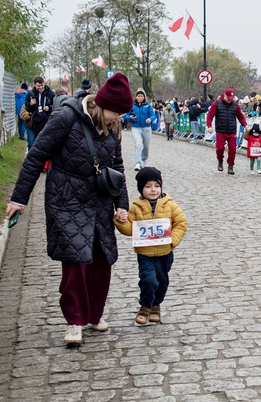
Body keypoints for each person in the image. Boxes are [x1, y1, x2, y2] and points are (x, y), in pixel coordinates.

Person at [4, 73, 134, 345]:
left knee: (102, 260)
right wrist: (19, 199)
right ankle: (74, 321)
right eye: (116, 112)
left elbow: (118, 169)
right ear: (101, 104)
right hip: (66, 199)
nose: (118, 119)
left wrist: (122, 205)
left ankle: (95, 314)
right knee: (75, 262)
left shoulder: (113, 129)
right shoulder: (65, 118)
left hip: (99, 201)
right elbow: (36, 156)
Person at [114, 167, 187, 326]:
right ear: (141, 189)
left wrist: (172, 240)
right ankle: (145, 305)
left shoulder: (170, 205)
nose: (153, 190)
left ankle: (156, 305)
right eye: (148, 186)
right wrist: (121, 221)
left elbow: (181, 223)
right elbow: (129, 229)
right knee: (148, 280)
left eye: (156, 185)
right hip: (145, 254)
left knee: (162, 282)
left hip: (165, 253)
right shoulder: (135, 207)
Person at [207, 88, 247, 175]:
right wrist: (209, 126)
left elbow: (240, 116)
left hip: (232, 131)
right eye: (228, 97)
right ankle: (220, 160)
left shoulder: (235, 105)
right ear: (224, 95)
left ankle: (230, 166)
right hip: (221, 130)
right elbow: (210, 115)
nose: (230, 100)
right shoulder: (216, 103)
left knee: (233, 149)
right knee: (220, 148)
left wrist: (245, 125)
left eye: (231, 98)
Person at [124, 89, 155, 171]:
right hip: (135, 127)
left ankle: (144, 159)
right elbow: (125, 115)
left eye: (141, 96)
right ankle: (138, 163)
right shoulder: (132, 105)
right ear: (136, 97)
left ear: (144, 97)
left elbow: (153, 115)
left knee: (146, 146)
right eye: (138, 96)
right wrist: (130, 117)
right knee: (138, 145)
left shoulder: (148, 105)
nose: (140, 98)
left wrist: (150, 119)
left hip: (146, 128)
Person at [25, 76, 55, 149]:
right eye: (38, 86)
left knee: (45, 144)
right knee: (32, 144)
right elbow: (28, 109)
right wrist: (31, 104)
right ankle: (32, 159)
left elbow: (55, 107)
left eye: (42, 85)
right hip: (35, 122)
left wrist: (49, 108)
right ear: (35, 85)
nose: (40, 87)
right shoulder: (31, 94)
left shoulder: (50, 94)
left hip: (46, 122)